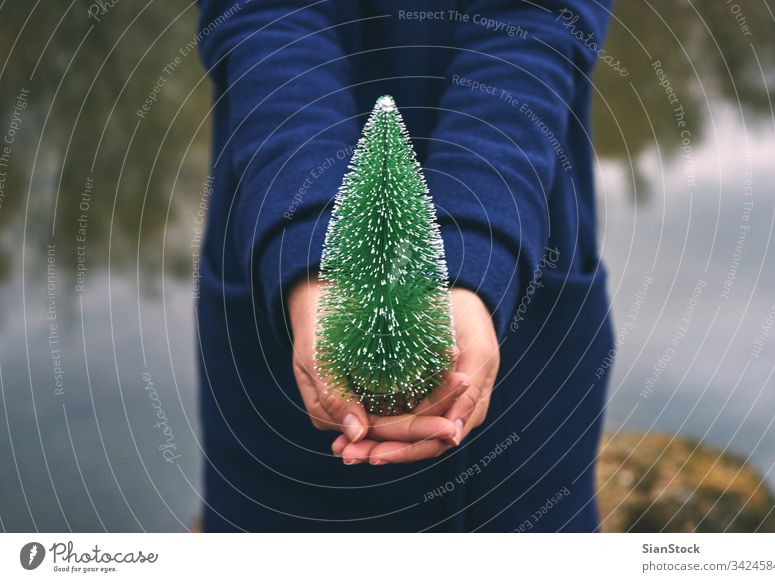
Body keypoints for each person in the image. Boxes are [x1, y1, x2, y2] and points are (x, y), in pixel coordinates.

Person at [195, 0, 615, 532]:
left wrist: (479, 254)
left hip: (525, 255)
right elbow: (266, 17)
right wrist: (311, 250)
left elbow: (540, 20)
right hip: (280, 261)